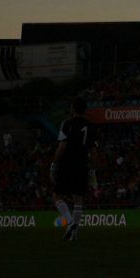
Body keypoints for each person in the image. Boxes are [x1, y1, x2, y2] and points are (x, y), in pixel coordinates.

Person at [52, 98, 94, 242]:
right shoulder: (90, 126)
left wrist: (54, 163)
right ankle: (73, 233)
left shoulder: (67, 123)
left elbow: (62, 147)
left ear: (73, 109)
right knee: (78, 200)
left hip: (67, 163)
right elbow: (93, 150)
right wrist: (92, 169)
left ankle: (70, 223)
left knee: (56, 195)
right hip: (82, 164)